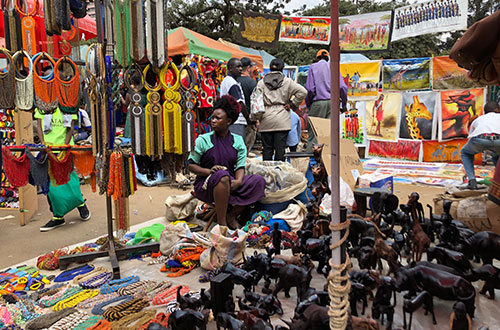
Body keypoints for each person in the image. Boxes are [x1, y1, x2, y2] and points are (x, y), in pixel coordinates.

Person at [188, 95, 266, 229]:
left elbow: (240, 166)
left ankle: (232, 215)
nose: (213, 121)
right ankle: (222, 223)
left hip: (229, 182)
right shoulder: (203, 140)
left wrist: (239, 181)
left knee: (258, 181)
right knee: (221, 176)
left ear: (228, 121)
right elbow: (191, 165)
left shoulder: (238, 141)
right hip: (208, 185)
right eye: (212, 117)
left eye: (217, 118)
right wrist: (209, 171)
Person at [35, 106, 91, 231]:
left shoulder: (68, 105)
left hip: (65, 149)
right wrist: (43, 143)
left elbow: (70, 128)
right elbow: (39, 125)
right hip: (48, 150)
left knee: (69, 179)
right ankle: (58, 216)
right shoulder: (42, 106)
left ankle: (81, 204)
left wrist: (64, 146)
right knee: (51, 184)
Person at [253, 58, 306, 161]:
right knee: (280, 149)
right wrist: (293, 104)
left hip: (266, 118)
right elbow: (302, 92)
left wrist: (256, 118)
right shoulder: (287, 82)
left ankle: (267, 173)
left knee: (267, 149)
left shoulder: (261, 83)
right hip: (282, 118)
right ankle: (279, 173)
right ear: (282, 69)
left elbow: (256, 101)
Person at [305, 49, 348, 151]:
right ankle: (328, 161)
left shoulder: (313, 67)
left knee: (314, 134)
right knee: (329, 135)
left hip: (318, 103)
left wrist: (309, 104)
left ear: (317, 58)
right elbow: (342, 87)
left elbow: (310, 89)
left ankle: (311, 162)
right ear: (327, 57)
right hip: (333, 104)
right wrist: (344, 105)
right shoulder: (334, 67)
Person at [460, 101, 500, 189]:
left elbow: (471, 136)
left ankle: (472, 181)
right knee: (497, 156)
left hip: (480, 139)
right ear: (497, 109)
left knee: (465, 153)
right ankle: (498, 181)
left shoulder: (479, 119)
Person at [220, 58, 250, 139]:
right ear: (230, 68)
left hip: (231, 120)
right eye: (238, 67)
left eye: (241, 66)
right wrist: (247, 117)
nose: (240, 69)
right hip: (237, 121)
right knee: (237, 147)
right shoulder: (232, 83)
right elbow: (239, 103)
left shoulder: (227, 81)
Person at [237, 57, 258, 153]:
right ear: (249, 68)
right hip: (248, 120)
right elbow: (256, 103)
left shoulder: (234, 81)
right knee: (245, 149)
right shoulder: (252, 83)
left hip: (234, 120)